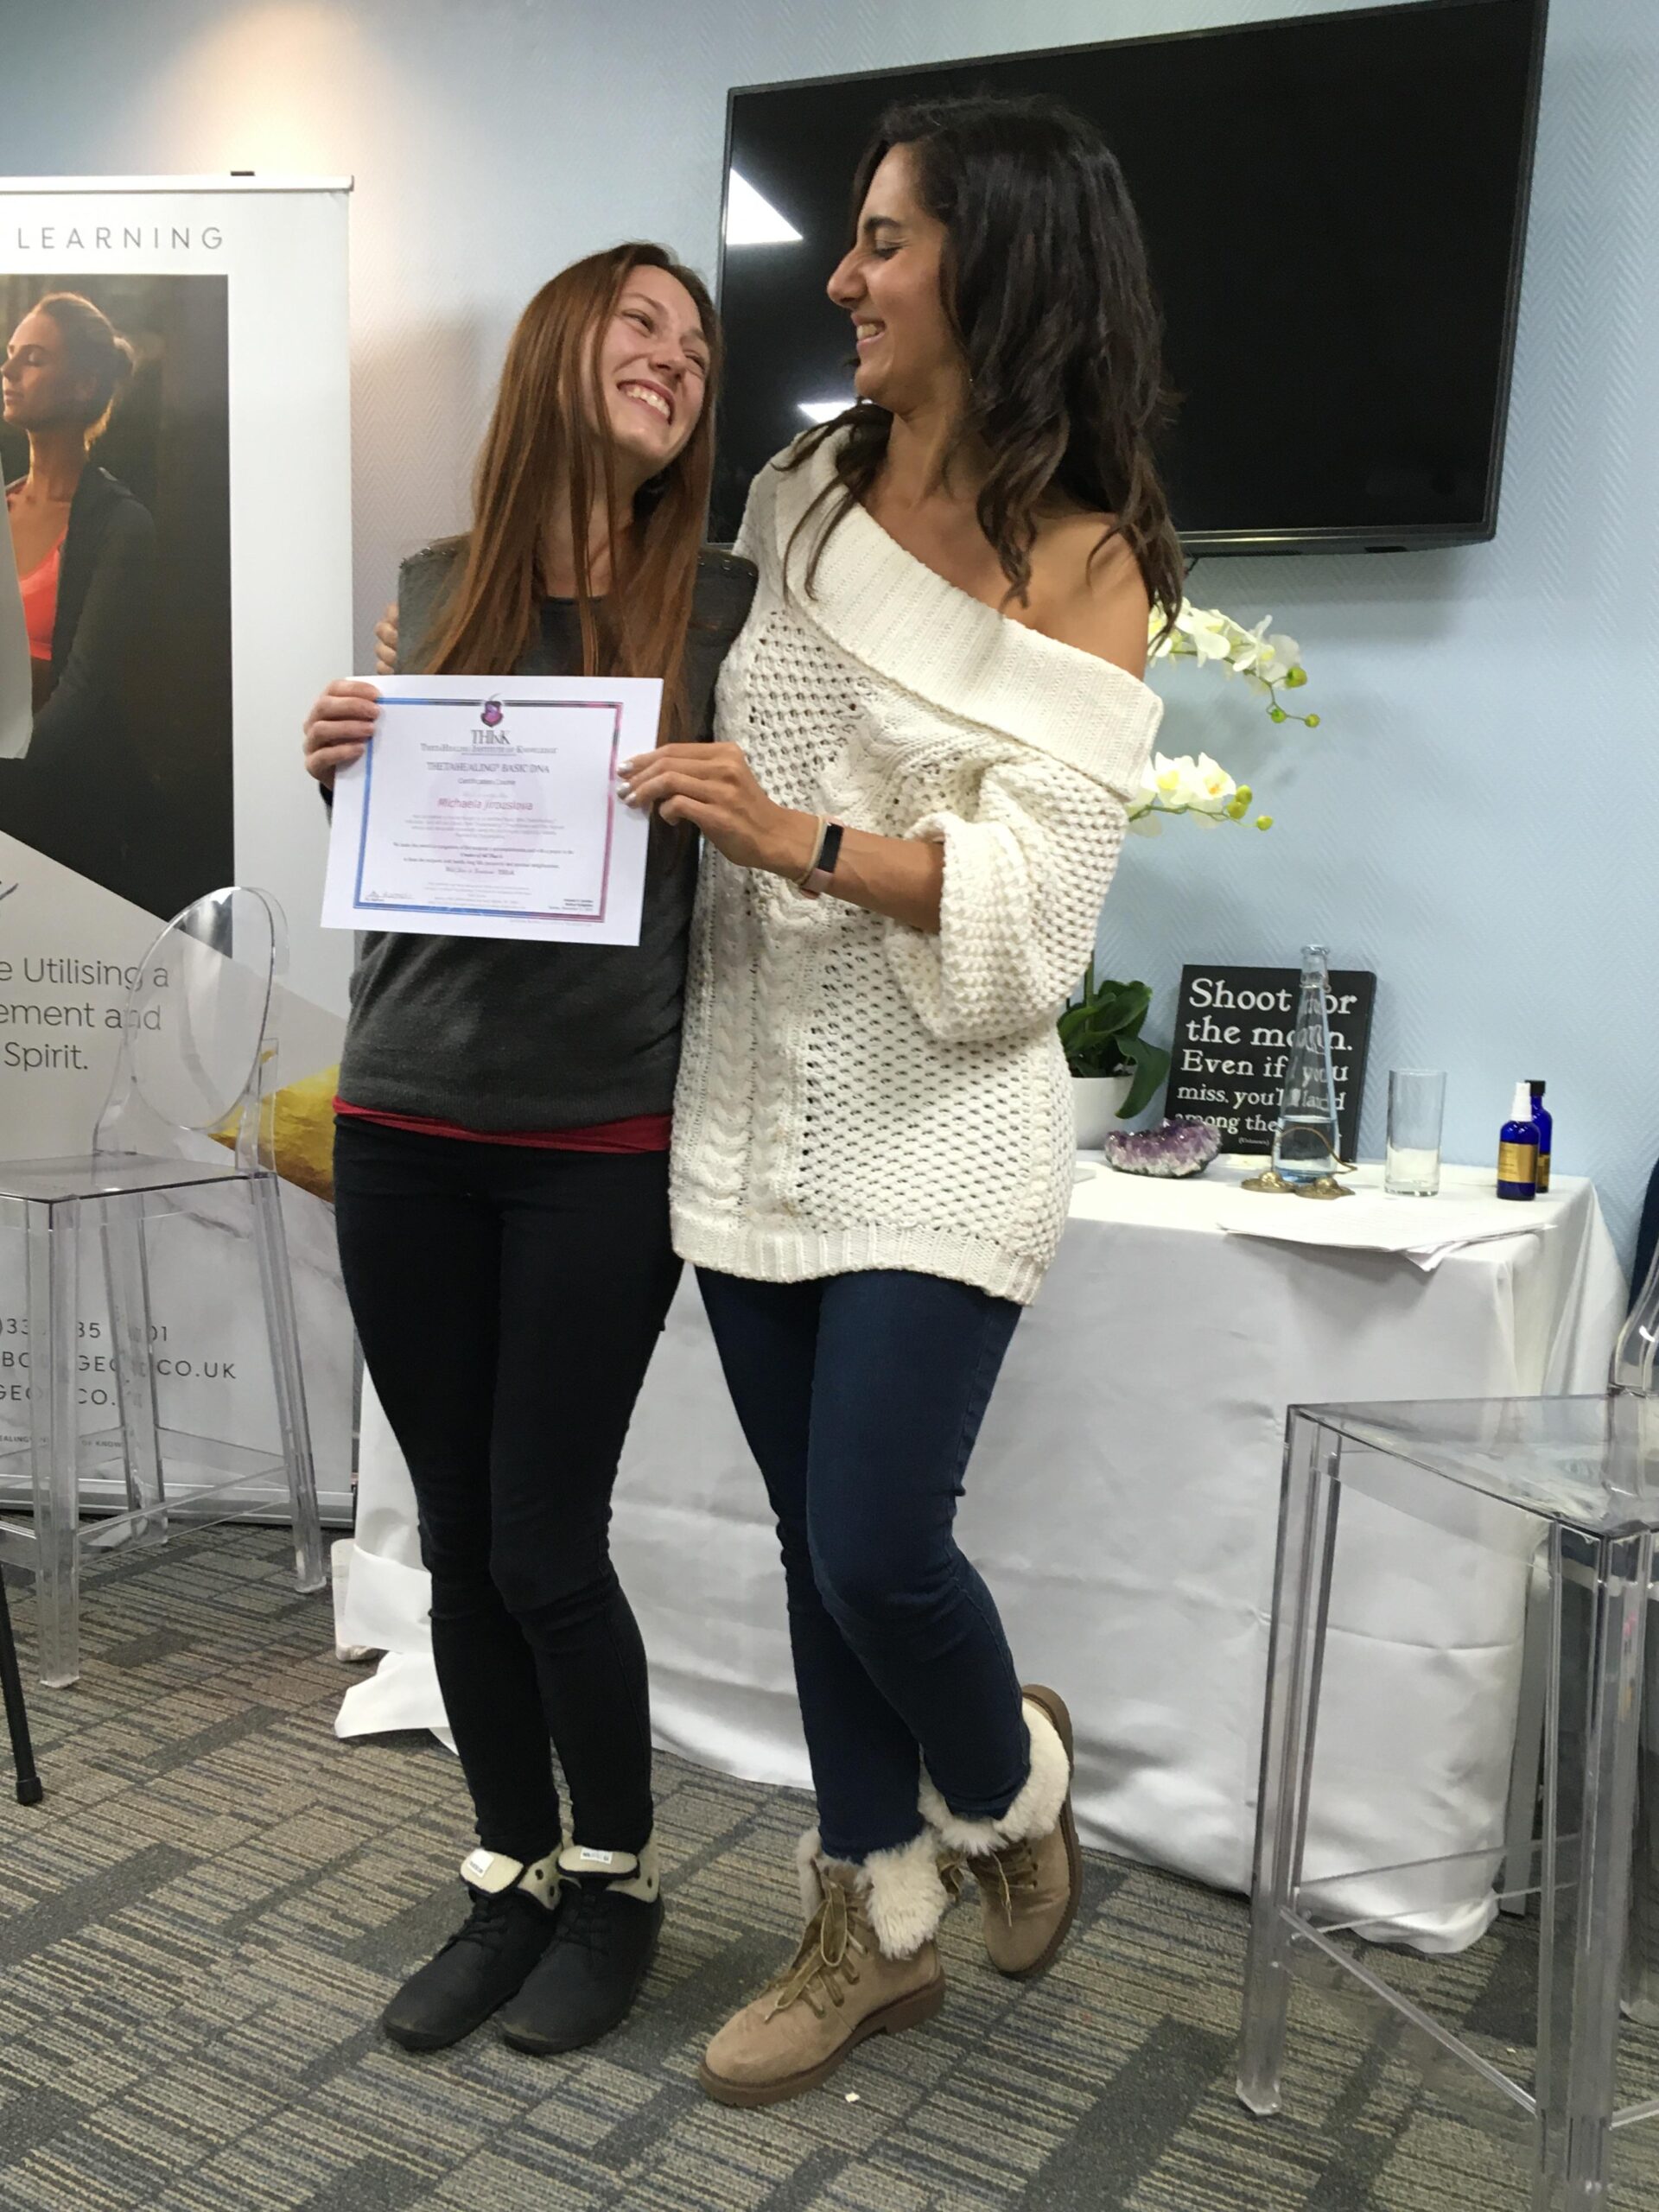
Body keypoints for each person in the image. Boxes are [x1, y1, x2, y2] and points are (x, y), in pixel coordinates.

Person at [619, 94, 1184, 2107]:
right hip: (752, 1096)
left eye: (882, 242)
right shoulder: (799, 494)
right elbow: (668, 678)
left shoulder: (1090, 565)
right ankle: (874, 1913)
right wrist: (434, 706)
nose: (843, 278)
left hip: (943, 1117)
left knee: (873, 1541)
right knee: (808, 1541)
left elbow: (1034, 920)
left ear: (993, 264)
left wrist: (799, 837)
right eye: (851, 241)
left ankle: (1009, 1782)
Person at [300, 245, 755, 2059]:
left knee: (549, 1541)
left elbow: (755, 855)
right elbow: (416, 853)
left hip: (596, 1140)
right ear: (564, 345)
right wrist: (341, 767)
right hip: (401, 1112)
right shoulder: (439, 582)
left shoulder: (721, 608)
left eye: (698, 346)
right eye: (644, 324)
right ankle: (509, 1867)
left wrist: (736, 801)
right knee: (461, 1538)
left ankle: (617, 1880)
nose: (676, 359)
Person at [2, 291, 156, 902]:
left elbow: (83, 692)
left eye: (33, 358)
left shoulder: (120, 525)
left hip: (58, 812)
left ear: (83, 385)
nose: (8, 370)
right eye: (10, 353)